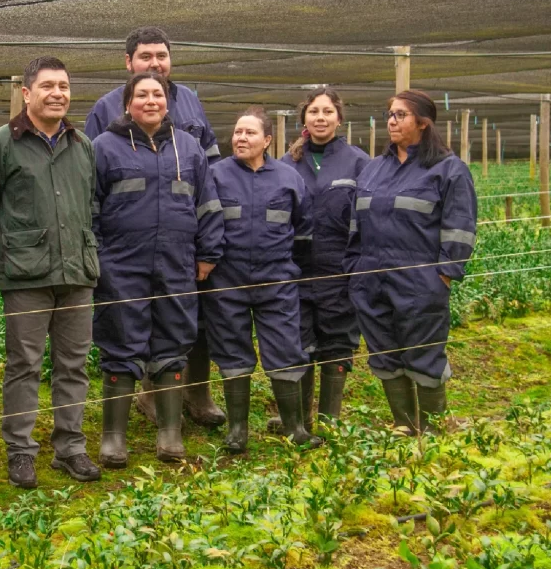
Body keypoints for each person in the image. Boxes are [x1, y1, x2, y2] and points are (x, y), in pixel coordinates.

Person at [0, 56, 101, 488]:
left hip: (76, 274)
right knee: (24, 364)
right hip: (27, 276)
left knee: (74, 365)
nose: (58, 93)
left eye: (64, 85)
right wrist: (15, 245)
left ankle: (71, 448)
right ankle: (21, 452)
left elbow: (89, 205)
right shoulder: (2, 145)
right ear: (27, 93)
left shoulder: (81, 145)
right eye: (48, 86)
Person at [85, 26, 225, 429]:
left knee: (185, 324)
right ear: (128, 63)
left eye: (161, 55)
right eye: (146, 57)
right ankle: (140, 402)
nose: (155, 64)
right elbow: (93, 178)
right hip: (126, 249)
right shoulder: (105, 108)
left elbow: (210, 171)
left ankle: (195, 397)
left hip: (180, 243)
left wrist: (208, 242)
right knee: (126, 325)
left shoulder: (191, 104)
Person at [345, 90, 477, 435]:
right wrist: (356, 269)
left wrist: (445, 275)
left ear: (423, 122)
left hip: (420, 280)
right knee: (384, 353)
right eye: (390, 114)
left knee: (424, 354)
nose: (391, 120)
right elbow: (356, 227)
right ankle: (405, 425)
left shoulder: (447, 170)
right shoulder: (374, 169)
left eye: (400, 114)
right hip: (371, 278)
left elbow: (460, 227)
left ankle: (432, 431)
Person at [203, 106, 319, 452]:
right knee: (232, 353)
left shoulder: (288, 178)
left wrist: (284, 267)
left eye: (249, 133)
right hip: (227, 281)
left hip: (277, 282)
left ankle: (294, 428)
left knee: (285, 350)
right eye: (237, 132)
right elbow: (206, 227)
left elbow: (303, 231)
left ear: (267, 140)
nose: (241, 138)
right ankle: (238, 431)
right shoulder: (215, 176)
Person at [270, 87, 369, 434]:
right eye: (314, 112)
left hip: (339, 267)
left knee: (338, 341)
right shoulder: (287, 162)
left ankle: (330, 422)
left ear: (339, 119)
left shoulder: (358, 161)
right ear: (304, 119)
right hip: (297, 269)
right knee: (300, 341)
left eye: (327, 112)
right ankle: (301, 421)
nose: (321, 118)